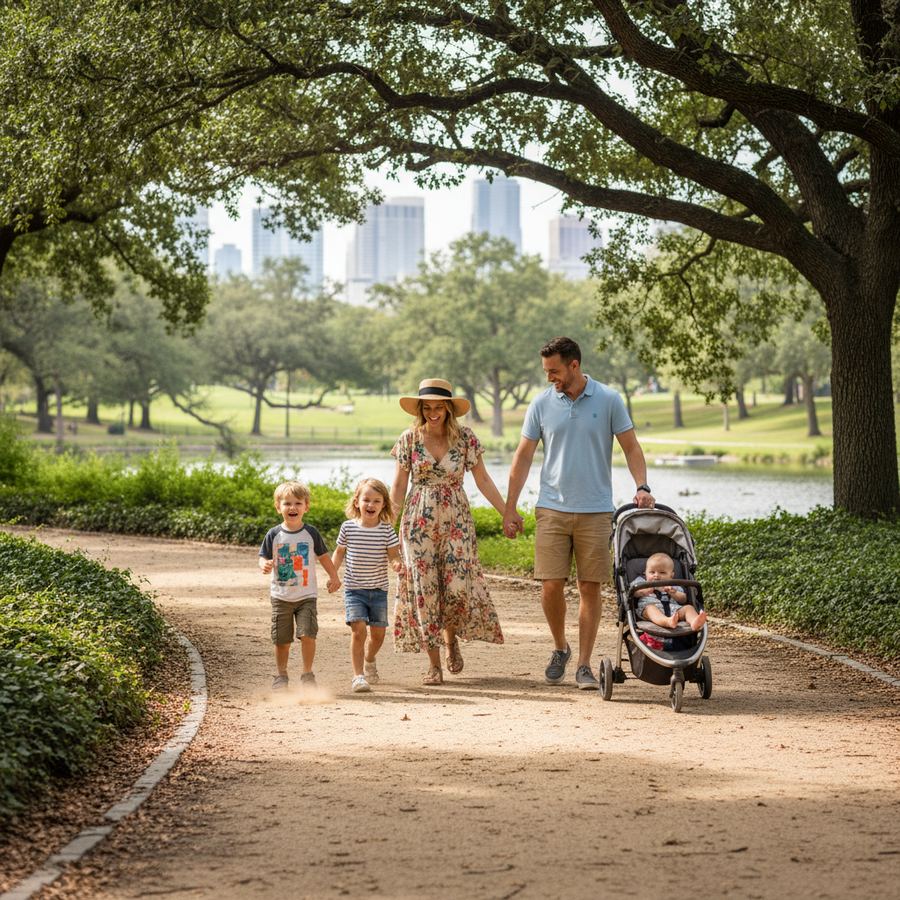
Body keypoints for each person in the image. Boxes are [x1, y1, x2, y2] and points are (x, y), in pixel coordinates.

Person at [503, 337, 655, 690]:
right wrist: (510, 506)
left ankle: (584, 664)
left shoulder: (608, 399)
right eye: (545, 371)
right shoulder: (541, 404)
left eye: (554, 371)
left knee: (590, 587)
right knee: (550, 586)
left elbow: (631, 446)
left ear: (574, 365)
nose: (549, 378)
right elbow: (523, 457)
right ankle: (561, 648)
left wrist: (642, 486)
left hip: (596, 509)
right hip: (552, 508)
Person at [390, 378, 506, 685]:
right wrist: (387, 527)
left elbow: (482, 480)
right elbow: (400, 485)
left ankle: (451, 640)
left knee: (455, 585)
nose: (432, 412)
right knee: (424, 586)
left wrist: (507, 511)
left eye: (438, 407)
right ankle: (434, 663)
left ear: (448, 408)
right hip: (418, 522)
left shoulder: (466, 437)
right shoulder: (410, 438)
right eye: (427, 407)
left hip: (456, 519)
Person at [259, 480, 341, 691]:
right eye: (287, 503)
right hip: (281, 596)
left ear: (306, 506)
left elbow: (323, 557)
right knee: (281, 640)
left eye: (298, 503)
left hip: (306, 596)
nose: (292, 507)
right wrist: (265, 565)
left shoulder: (311, 533)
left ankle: (307, 674)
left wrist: (334, 576)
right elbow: (263, 557)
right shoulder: (274, 534)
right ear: (278, 507)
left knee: (308, 635)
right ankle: (281, 676)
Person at [332, 478, 404, 693]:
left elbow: (393, 555)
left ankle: (369, 658)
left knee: (378, 635)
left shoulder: (386, 531)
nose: (371, 505)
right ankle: (358, 676)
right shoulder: (348, 528)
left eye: (376, 501)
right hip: (354, 590)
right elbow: (338, 553)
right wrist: (332, 574)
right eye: (366, 500)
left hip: (378, 591)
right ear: (357, 502)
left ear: (384, 505)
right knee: (358, 630)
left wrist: (397, 564)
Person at [632, 552, 708, 631]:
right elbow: (632, 593)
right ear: (645, 573)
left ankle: (694, 622)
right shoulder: (642, 582)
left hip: (673, 610)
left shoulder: (673, 585)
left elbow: (684, 599)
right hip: (649, 608)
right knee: (650, 609)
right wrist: (642, 591)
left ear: (671, 576)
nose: (656, 575)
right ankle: (667, 621)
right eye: (652, 572)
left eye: (662, 572)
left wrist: (674, 593)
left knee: (688, 608)